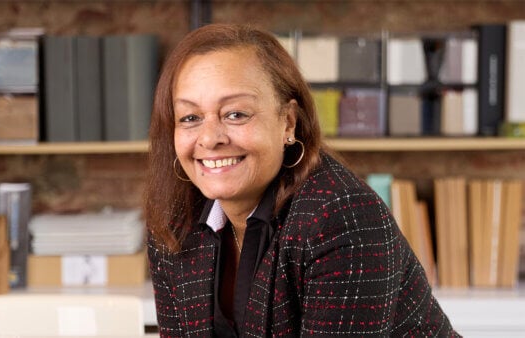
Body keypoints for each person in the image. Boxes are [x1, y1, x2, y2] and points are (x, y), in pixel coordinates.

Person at [145, 23, 459, 337]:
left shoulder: (340, 216)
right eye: (190, 118)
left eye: (236, 114)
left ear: (288, 123)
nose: (210, 138)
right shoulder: (174, 220)